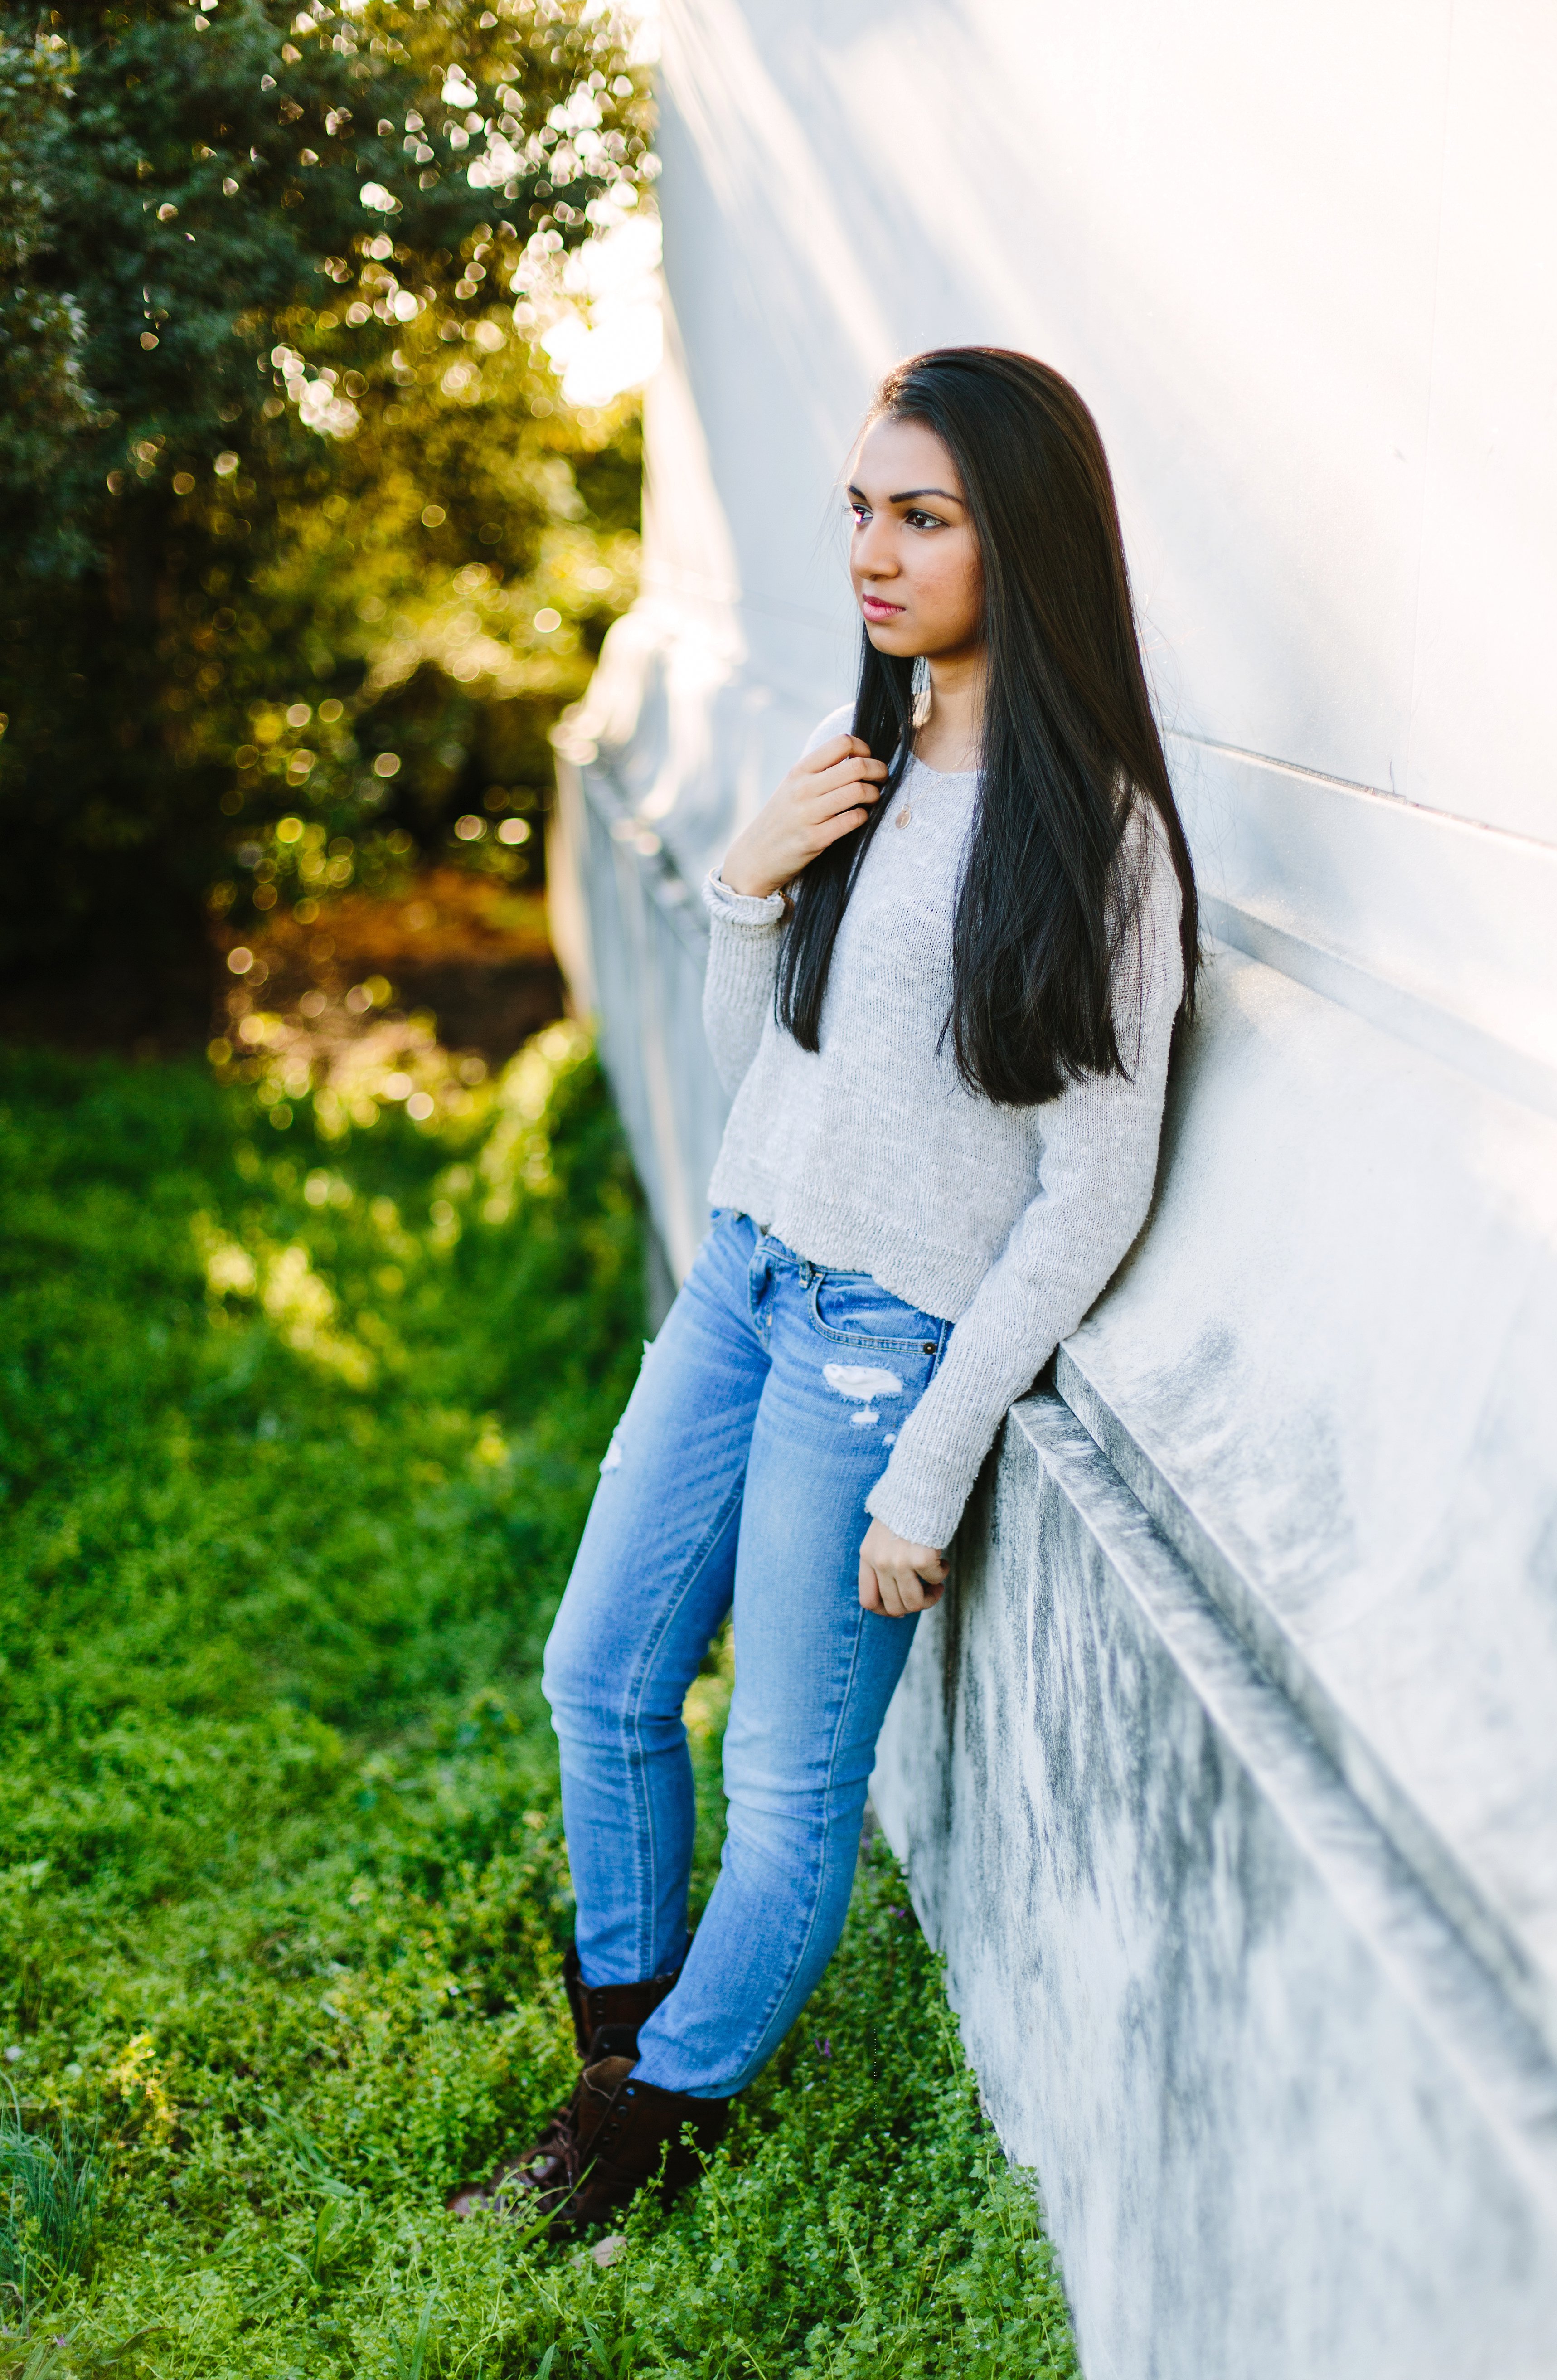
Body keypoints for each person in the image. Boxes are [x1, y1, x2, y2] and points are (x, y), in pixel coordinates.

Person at [448, 346, 1199, 2229]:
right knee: (597, 1671)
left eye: (920, 515)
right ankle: (619, 2044)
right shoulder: (847, 771)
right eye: (860, 507)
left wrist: (931, 1459)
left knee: (792, 1786)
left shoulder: (1096, 839)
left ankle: (630, 2142)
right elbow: (763, 1084)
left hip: (879, 1351)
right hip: (742, 1282)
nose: (871, 549)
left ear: (1017, 539)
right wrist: (741, 891)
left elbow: (1086, 1187)